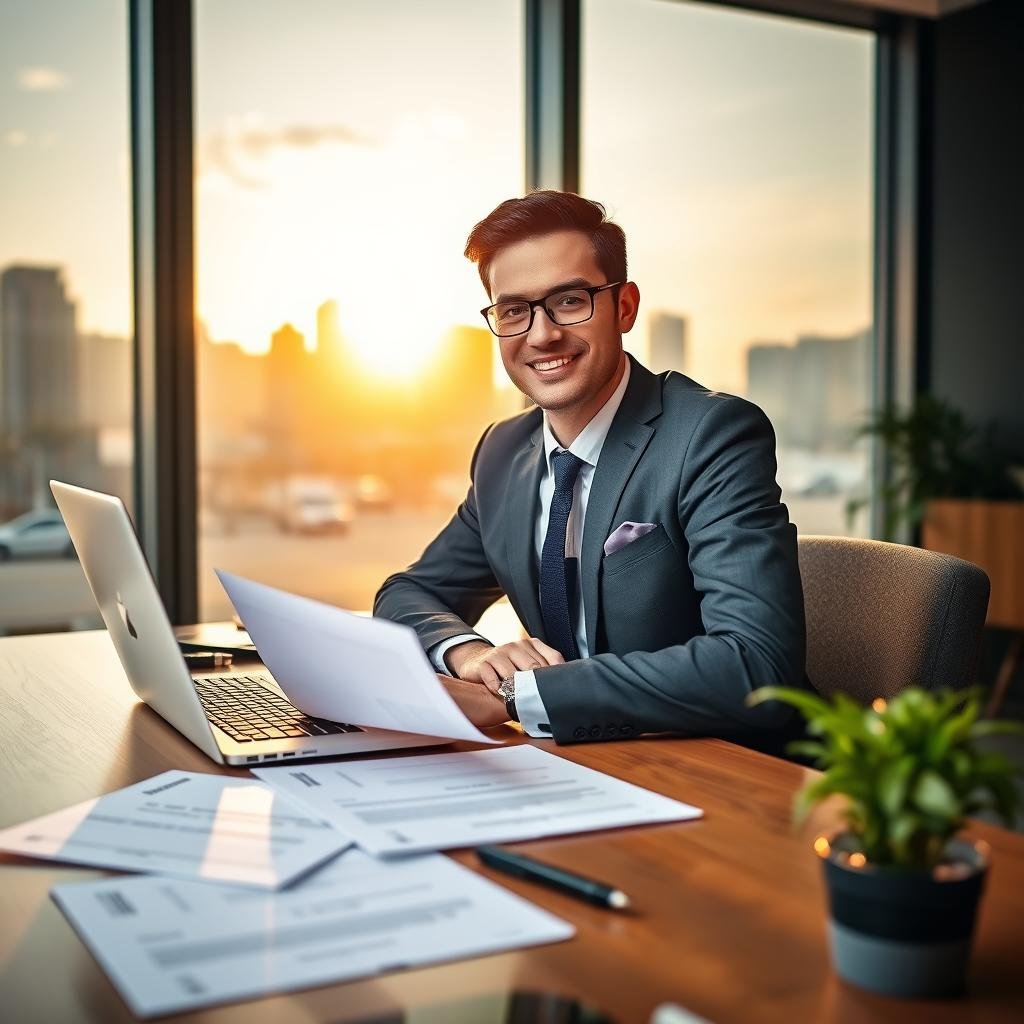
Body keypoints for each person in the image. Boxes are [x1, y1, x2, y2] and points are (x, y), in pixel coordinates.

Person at [374, 190, 809, 751]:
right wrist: (471, 654)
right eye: (513, 311)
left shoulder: (711, 434)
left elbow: (756, 664)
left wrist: (517, 697)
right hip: (578, 761)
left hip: (726, 768)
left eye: (570, 300)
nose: (541, 334)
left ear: (624, 307)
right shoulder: (503, 451)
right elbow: (407, 593)